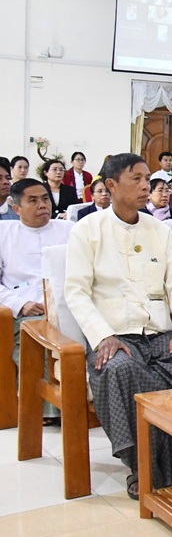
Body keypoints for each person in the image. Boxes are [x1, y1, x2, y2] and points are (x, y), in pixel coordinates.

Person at [65, 153, 172, 499]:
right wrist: (103, 336)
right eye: (137, 179)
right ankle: (144, 468)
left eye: (147, 178)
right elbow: (76, 292)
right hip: (114, 337)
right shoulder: (87, 231)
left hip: (160, 336)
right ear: (111, 185)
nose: (146, 185)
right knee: (121, 371)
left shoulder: (159, 230)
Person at [0, 179, 73, 423]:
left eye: (45, 199)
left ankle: (86, 401)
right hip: (26, 309)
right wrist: (20, 304)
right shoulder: (4, 233)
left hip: (67, 304)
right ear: (16, 207)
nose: (42, 205)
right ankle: (48, 410)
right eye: (33, 201)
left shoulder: (68, 229)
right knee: (38, 333)